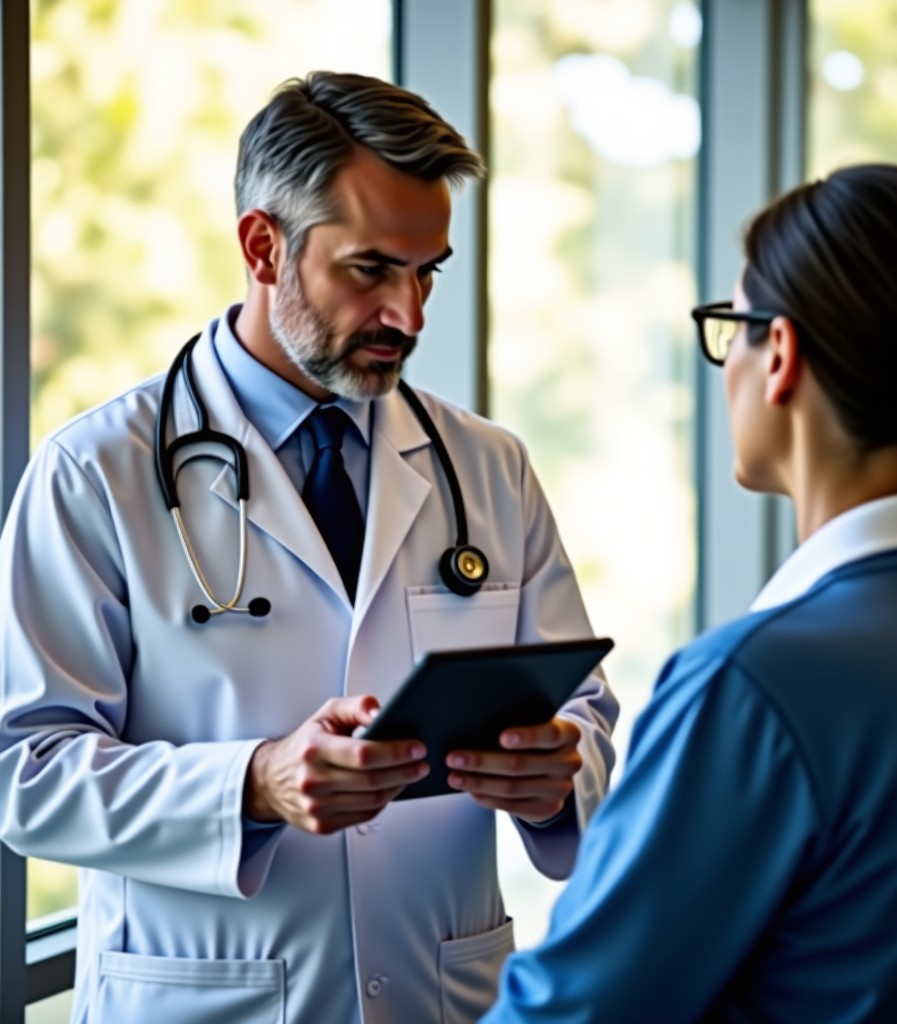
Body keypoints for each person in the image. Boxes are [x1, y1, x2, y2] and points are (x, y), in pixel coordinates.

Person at [0, 72, 618, 1024]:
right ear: (263, 246)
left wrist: (559, 776)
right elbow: (23, 770)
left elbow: (584, 711)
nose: (408, 315)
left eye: (428, 272)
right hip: (208, 1000)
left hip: (443, 991)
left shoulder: (487, 466)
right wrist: (252, 783)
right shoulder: (95, 473)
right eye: (371, 269)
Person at [482, 164, 897, 1023]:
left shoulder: (755, 687)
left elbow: (573, 1013)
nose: (723, 360)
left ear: (781, 356)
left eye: (731, 327)